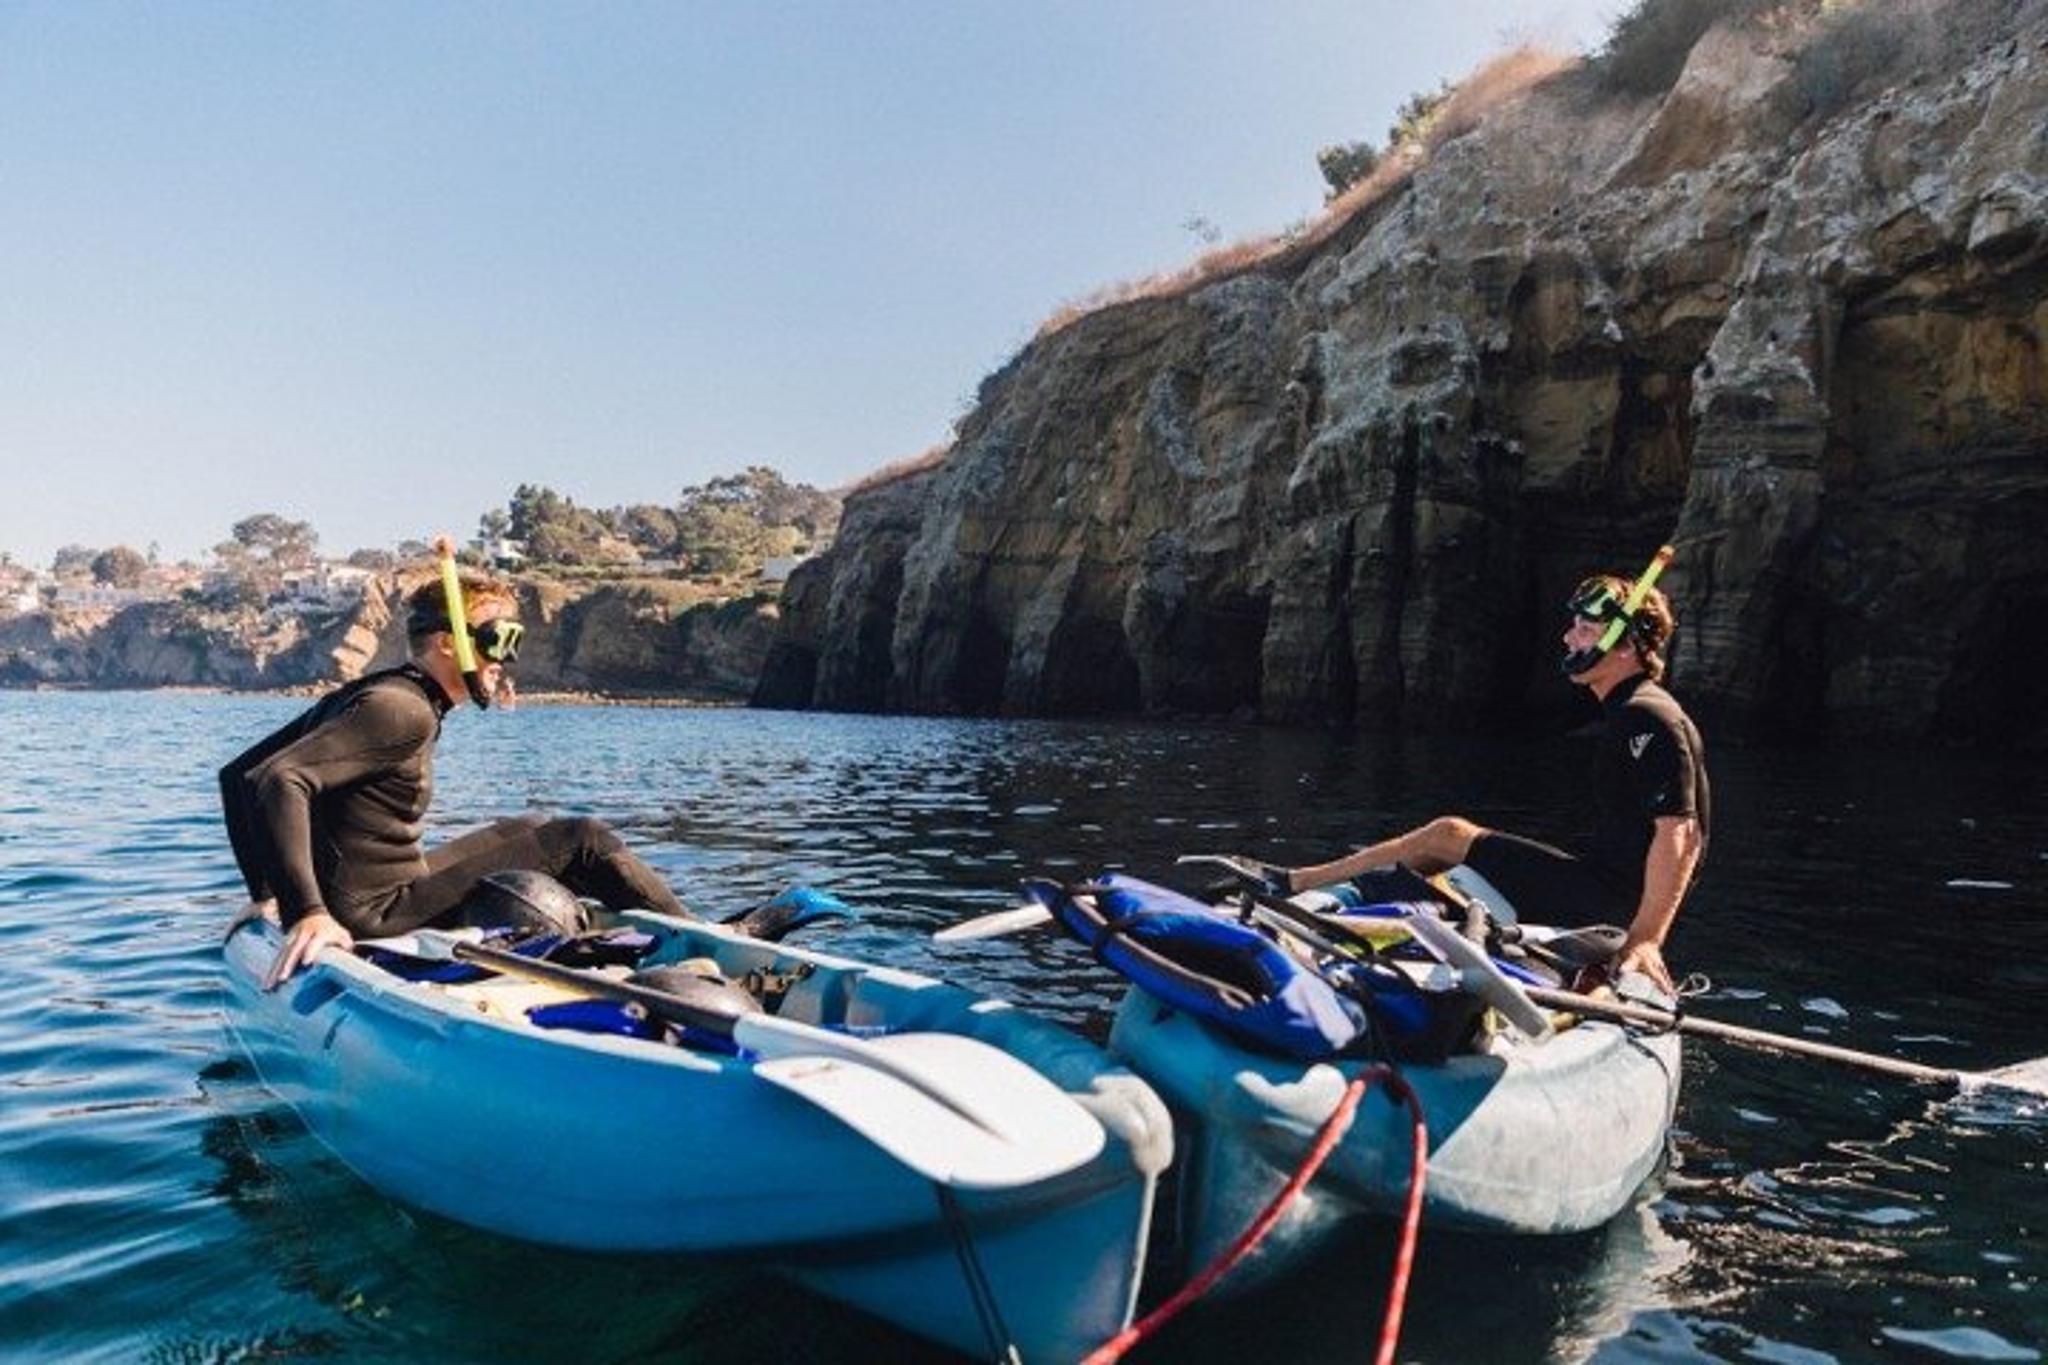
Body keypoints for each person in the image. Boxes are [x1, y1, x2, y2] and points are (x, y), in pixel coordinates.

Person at [220, 567, 694, 988]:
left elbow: (238, 775)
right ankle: (700, 951)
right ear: (449, 643)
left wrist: (267, 894)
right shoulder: (402, 710)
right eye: (498, 639)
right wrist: (307, 913)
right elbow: (276, 779)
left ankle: (649, 938)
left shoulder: (385, 691)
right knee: (581, 838)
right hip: (378, 915)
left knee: (530, 829)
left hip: (387, 891)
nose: (505, 660)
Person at [1271, 566, 1708, 994]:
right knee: (1451, 860)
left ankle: (1298, 883)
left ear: (1625, 646)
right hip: (1604, 887)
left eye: (1586, 629)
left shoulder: (1645, 716)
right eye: (1574, 626)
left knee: (1447, 835)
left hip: (1612, 904)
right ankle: (1345, 900)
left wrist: (1646, 938)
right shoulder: (1636, 710)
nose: (1569, 638)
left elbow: (1682, 832)